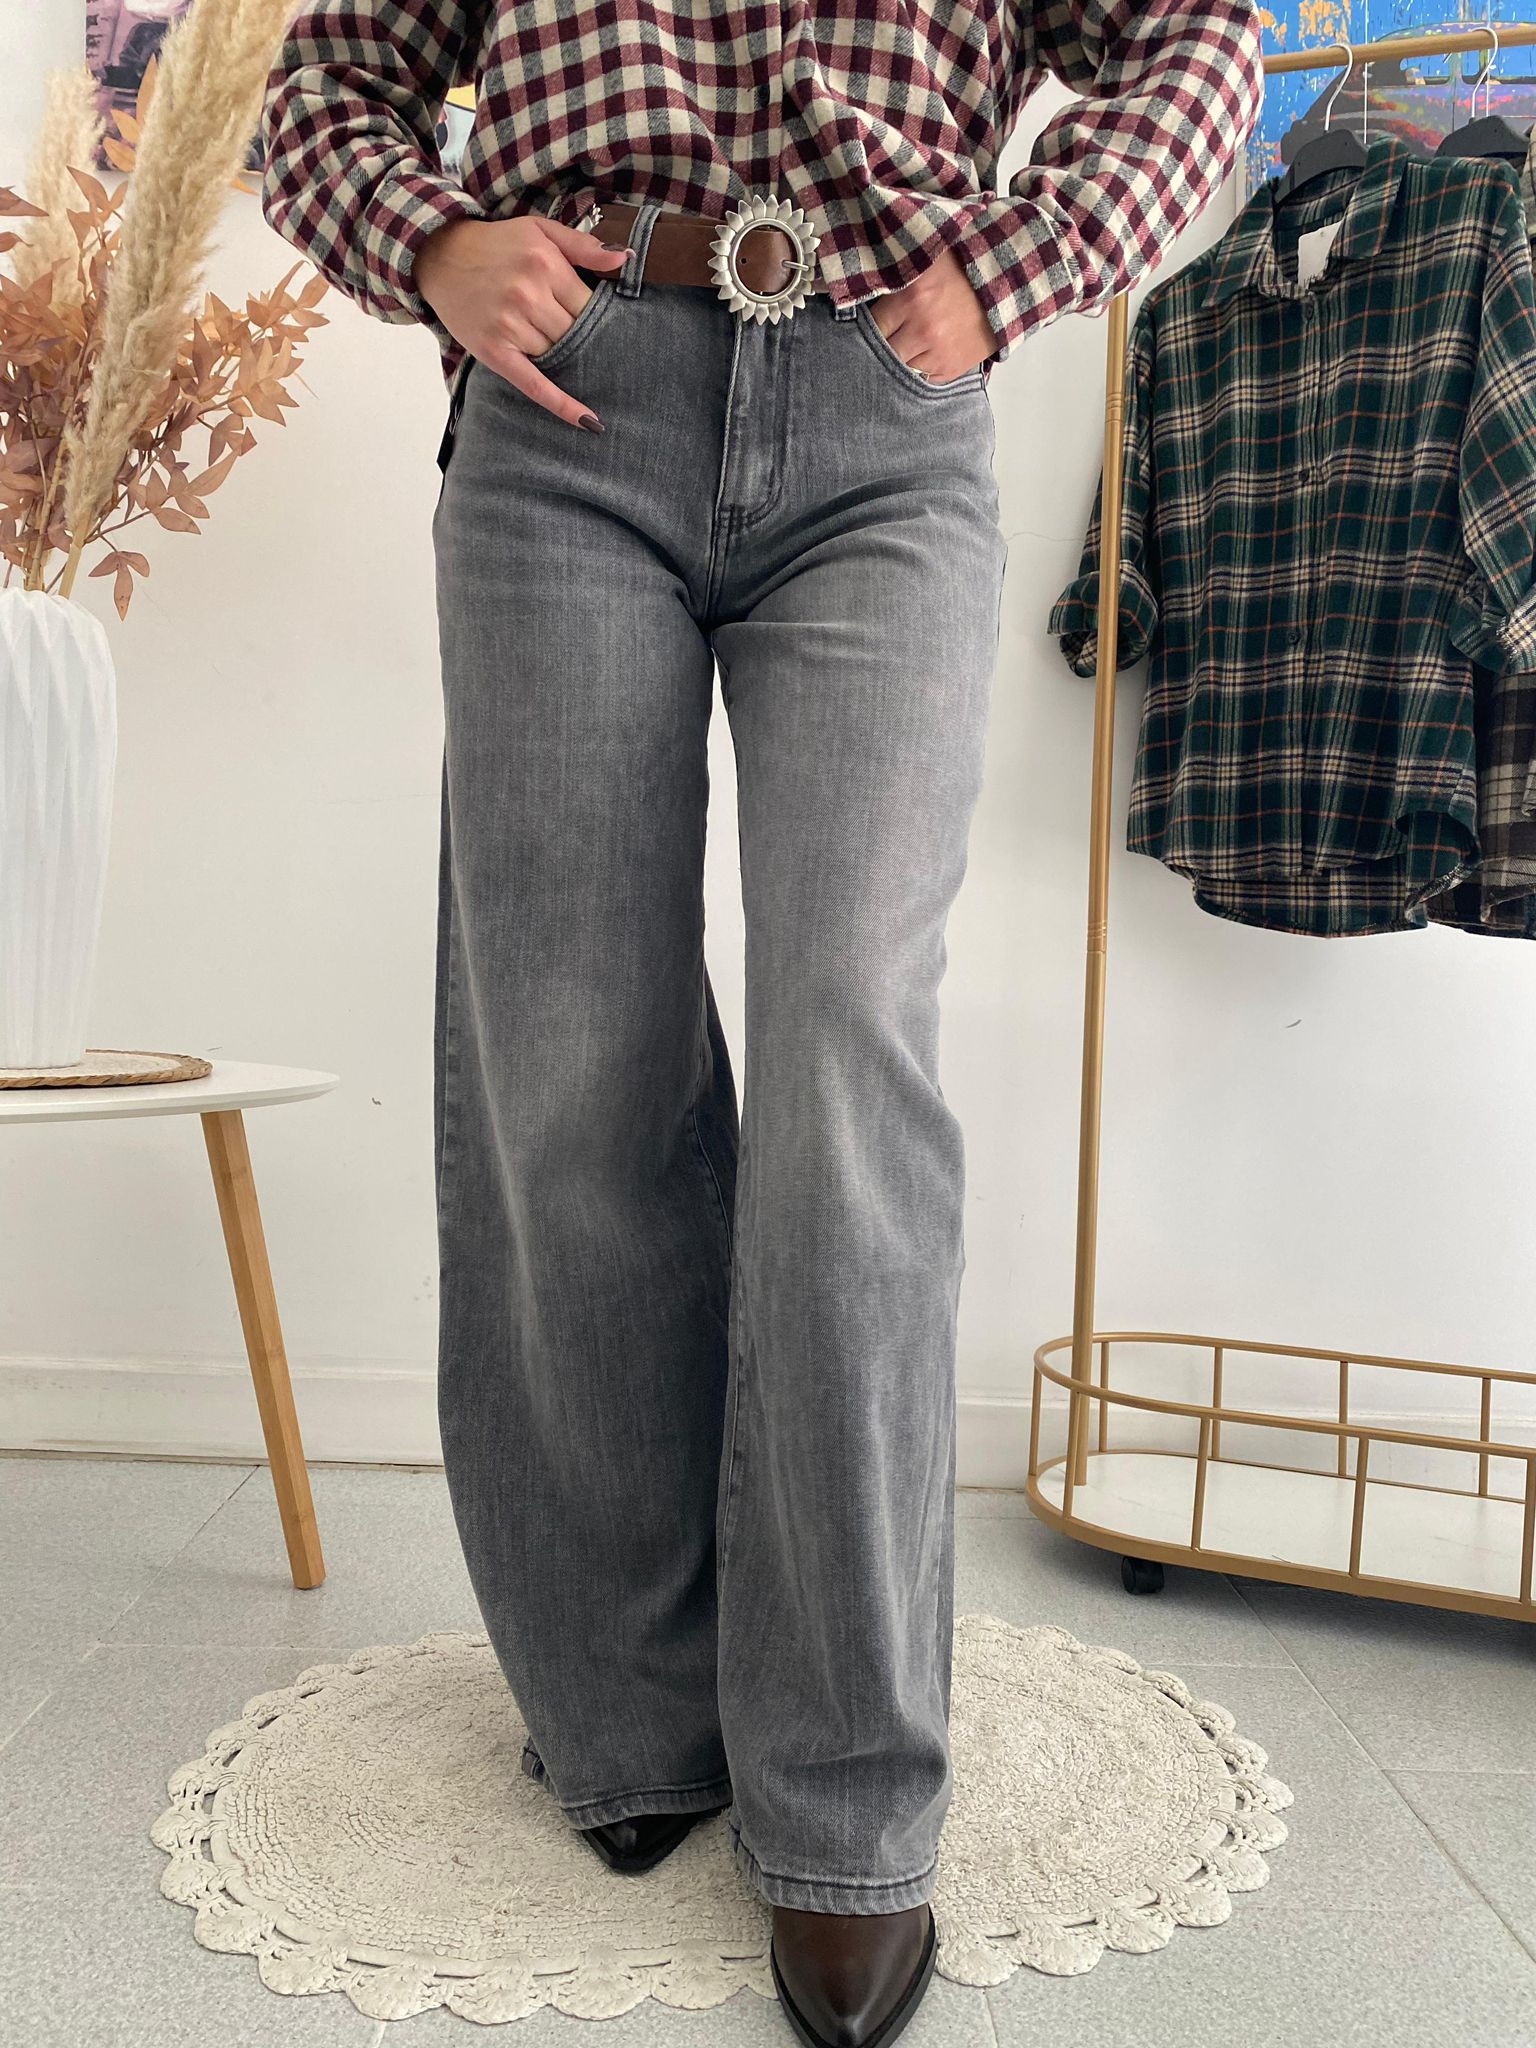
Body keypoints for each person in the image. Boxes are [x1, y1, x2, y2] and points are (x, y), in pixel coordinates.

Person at [259, 4, 1263, 2040]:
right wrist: (431, 245)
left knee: (845, 1050)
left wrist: (1018, 265)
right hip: (568, 410)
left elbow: (1204, 37)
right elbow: (323, 86)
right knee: (573, 1060)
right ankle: (629, 1709)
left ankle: (849, 1794)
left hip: (889, 405)